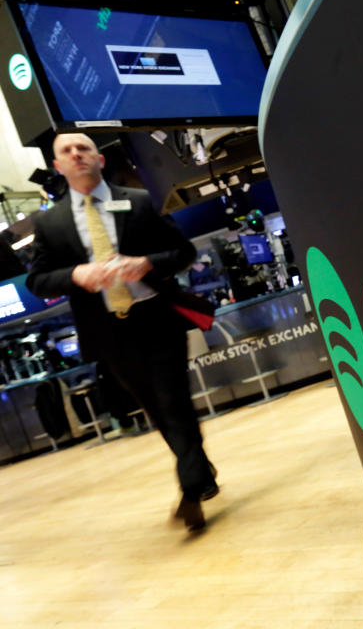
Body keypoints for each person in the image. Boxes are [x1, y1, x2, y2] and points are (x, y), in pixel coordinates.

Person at [26, 132, 218, 531]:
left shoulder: (140, 201)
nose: (77, 154)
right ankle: (202, 471)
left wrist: (146, 263)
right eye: (67, 151)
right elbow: (38, 280)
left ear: (100, 159)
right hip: (108, 330)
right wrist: (76, 274)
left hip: (156, 318)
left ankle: (191, 490)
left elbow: (183, 253)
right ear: (58, 166)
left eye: (84, 148)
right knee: (156, 407)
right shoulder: (49, 223)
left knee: (174, 401)